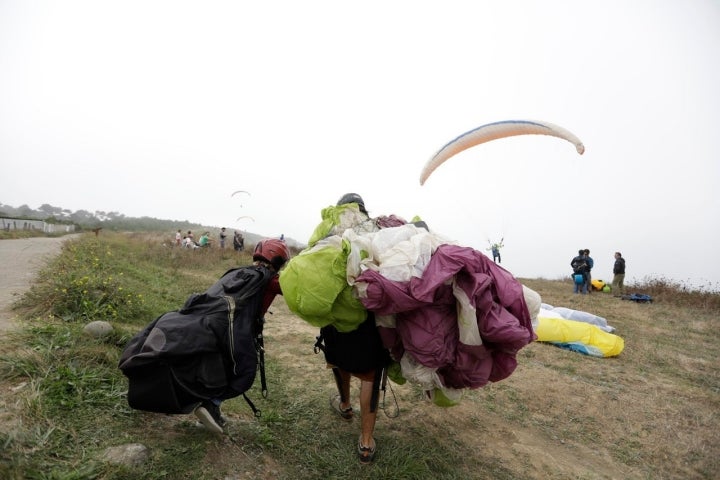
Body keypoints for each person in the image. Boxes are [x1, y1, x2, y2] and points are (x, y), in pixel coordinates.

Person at [119, 239, 290, 434]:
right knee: (243, 371)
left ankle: (148, 387)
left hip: (206, 323)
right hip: (233, 331)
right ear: (279, 261)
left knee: (198, 362)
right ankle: (212, 404)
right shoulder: (271, 280)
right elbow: (295, 289)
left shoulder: (235, 272)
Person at [314, 193, 390, 464]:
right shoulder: (376, 231)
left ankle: (345, 406)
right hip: (366, 318)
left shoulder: (327, 234)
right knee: (369, 375)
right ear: (363, 210)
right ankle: (366, 442)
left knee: (338, 360)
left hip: (335, 317)